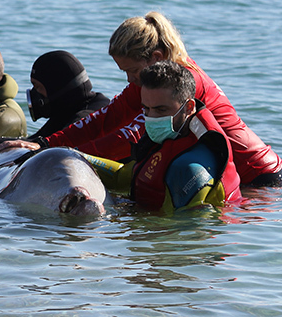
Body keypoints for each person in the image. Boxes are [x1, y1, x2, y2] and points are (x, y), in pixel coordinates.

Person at [0, 12, 282, 187]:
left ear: (156, 58)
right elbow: (106, 119)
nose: (129, 80)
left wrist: (67, 156)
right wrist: (46, 142)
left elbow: (130, 137)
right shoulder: (149, 80)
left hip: (260, 178)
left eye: (133, 71)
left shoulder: (180, 83)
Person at [85, 61, 242, 212]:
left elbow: (183, 231)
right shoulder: (173, 135)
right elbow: (125, 177)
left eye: (161, 110)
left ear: (189, 107)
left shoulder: (190, 169)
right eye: (146, 109)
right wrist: (72, 155)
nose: (152, 117)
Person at [27, 50, 109, 140]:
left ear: (55, 88)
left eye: (38, 87)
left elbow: (53, 147)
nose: (35, 93)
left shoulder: (83, 120)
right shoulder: (67, 111)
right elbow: (34, 140)